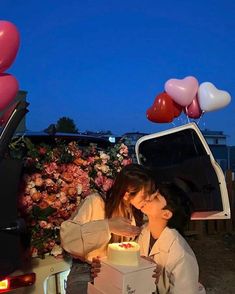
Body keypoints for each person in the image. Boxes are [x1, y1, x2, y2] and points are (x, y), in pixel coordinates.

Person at [60, 163, 156, 294]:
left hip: (122, 272)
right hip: (87, 270)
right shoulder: (96, 202)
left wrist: (143, 262)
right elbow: (69, 238)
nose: (149, 199)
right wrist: (107, 226)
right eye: (145, 195)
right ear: (127, 193)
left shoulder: (137, 213)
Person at [138, 181, 206, 294]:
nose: (148, 198)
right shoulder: (144, 233)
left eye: (156, 198)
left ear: (166, 214)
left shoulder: (180, 253)